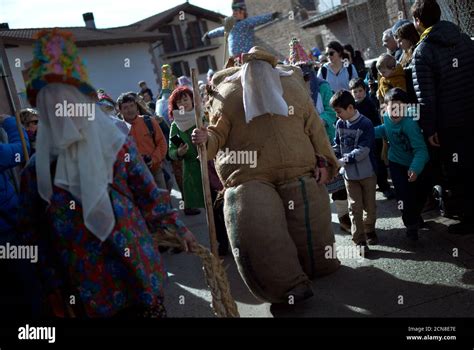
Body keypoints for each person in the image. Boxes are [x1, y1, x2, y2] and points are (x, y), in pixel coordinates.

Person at [19, 29, 197, 318]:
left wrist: (179, 228)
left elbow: (148, 193)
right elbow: (35, 236)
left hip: (138, 271)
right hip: (88, 290)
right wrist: (53, 291)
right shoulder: (34, 173)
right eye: (50, 103)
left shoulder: (117, 146)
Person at [192, 47, 341, 304]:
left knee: (309, 222)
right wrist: (205, 139)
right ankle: (288, 286)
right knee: (255, 219)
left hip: (298, 170)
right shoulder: (229, 94)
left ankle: (318, 266)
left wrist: (325, 161)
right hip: (250, 176)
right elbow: (217, 133)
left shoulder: (291, 87)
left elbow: (314, 127)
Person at [411, 0, 474, 234]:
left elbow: (425, 97)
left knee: (458, 169)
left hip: (450, 123)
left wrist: (429, 129)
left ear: (418, 21)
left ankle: (468, 217)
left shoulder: (423, 51)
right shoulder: (464, 38)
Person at [288, 38, 350, 232]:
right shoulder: (291, 93)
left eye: (307, 73)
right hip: (305, 146)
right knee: (315, 186)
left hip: (327, 140)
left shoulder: (322, 87)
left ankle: (344, 218)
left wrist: (316, 122)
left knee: (337, 182)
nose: (305, 78)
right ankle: (321, 226)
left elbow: (332, 112)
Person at [374, 88, 430, 240]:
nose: (395, 112)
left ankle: (416, 215)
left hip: (415, 164)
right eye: (392, 108)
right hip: (396, 163)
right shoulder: (386, 117)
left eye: (400, 108)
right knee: (403, 198)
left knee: (420, 196)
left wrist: (415, 168)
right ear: (385, 108)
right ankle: (411, 226)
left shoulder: (410, 123)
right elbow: (386, 129)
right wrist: (371, 132)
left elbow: (421, 150)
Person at [331, 90, 378, 251]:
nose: (337, 116)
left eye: (339, 112)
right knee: (354, 207)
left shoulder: (366, 124)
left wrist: (343, 160)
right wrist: (332, 156)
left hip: (367, 174)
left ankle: (369, 229)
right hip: (349, 176)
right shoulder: (340, 124)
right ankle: (359, 240)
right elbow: (337, 145)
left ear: (350, 107)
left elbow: (363, 150)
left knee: (370, 206)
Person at [350, 78, 395, 200]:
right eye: (355, 92)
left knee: (378, 163)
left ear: (365, 90)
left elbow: (376, 121)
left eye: (360, 91)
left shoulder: (369, 103)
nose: (358, 94)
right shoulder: (352, 106)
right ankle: (371, 185)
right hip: (360, 141)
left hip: (374, 138)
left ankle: (385, 186)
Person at [117, 92, 168, 190]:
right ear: (120, 111)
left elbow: (161, 143)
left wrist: (153, 159)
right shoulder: (118, 128)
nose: (130, 110)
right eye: (125, 107)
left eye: (132, 106)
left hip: (155, 171)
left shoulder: (149, 121)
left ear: (136, 107)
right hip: (134, 176)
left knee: (163, 202)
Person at [202, 0, 279, 64]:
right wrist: (208, 35)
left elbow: (259, 19)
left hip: (247, 56)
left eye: (237, 11)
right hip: (235, 58)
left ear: (243, 13)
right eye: (234, 11)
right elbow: (220, 30)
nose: (234, 13)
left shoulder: (247, 22)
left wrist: (271, 16)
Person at [167, 86, 203, 216]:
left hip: (210, 167)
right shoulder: (175, 126)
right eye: (179, 102)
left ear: (193, 100)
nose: (183, 104)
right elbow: (171, 151)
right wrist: (178, 152)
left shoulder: (202, 117)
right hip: (191, 172)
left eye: (185, 99)